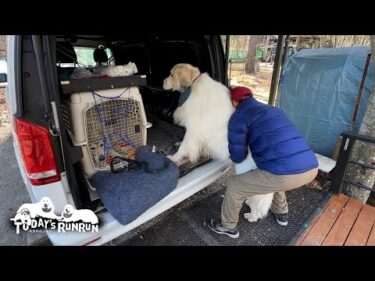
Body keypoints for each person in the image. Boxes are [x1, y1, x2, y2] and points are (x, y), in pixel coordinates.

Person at [207, 86, 319, 238]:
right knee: (278, 170)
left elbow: (238, 156)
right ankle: (282, 213)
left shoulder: (239, 117)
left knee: (235, 185)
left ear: (234, 102)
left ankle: (228, 227)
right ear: (251, 96)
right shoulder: (274, 110)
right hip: (311, 167)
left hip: (286, 174)